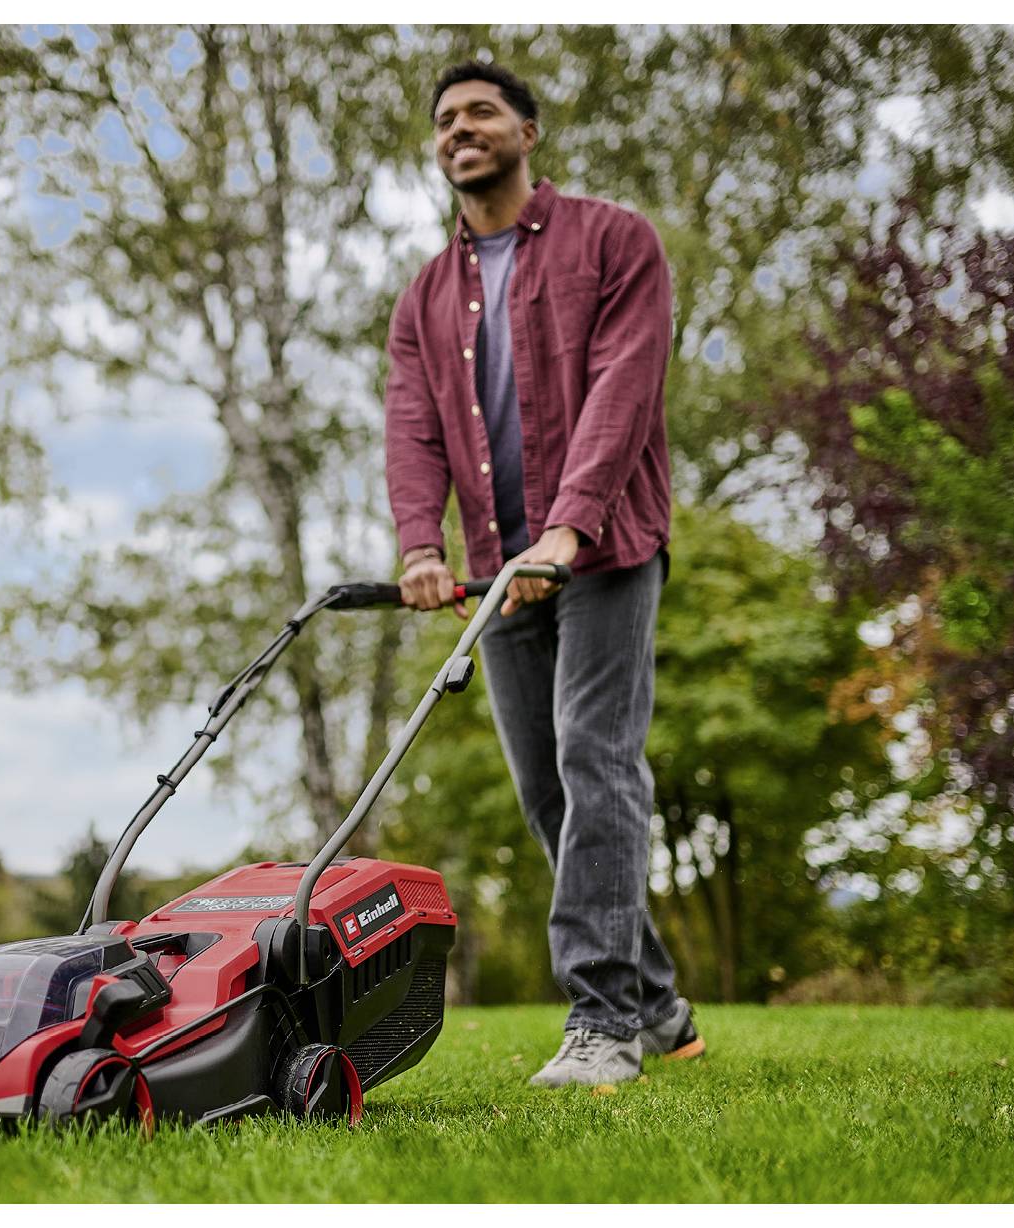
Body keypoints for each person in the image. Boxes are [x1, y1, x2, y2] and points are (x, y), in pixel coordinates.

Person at [382, 60, 705, 1087]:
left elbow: (624, 385)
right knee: (547, 794)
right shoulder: (425, 297)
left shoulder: (613, 241)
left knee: (594, 758)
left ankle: (603, 1022)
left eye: (480, 112)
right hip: (496, 569)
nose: (458, 129)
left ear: (528, 131)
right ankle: (659, 1004)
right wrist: (420, 546)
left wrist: (568, 526)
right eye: (444, 119)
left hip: (602, 551)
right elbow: (412, 427)